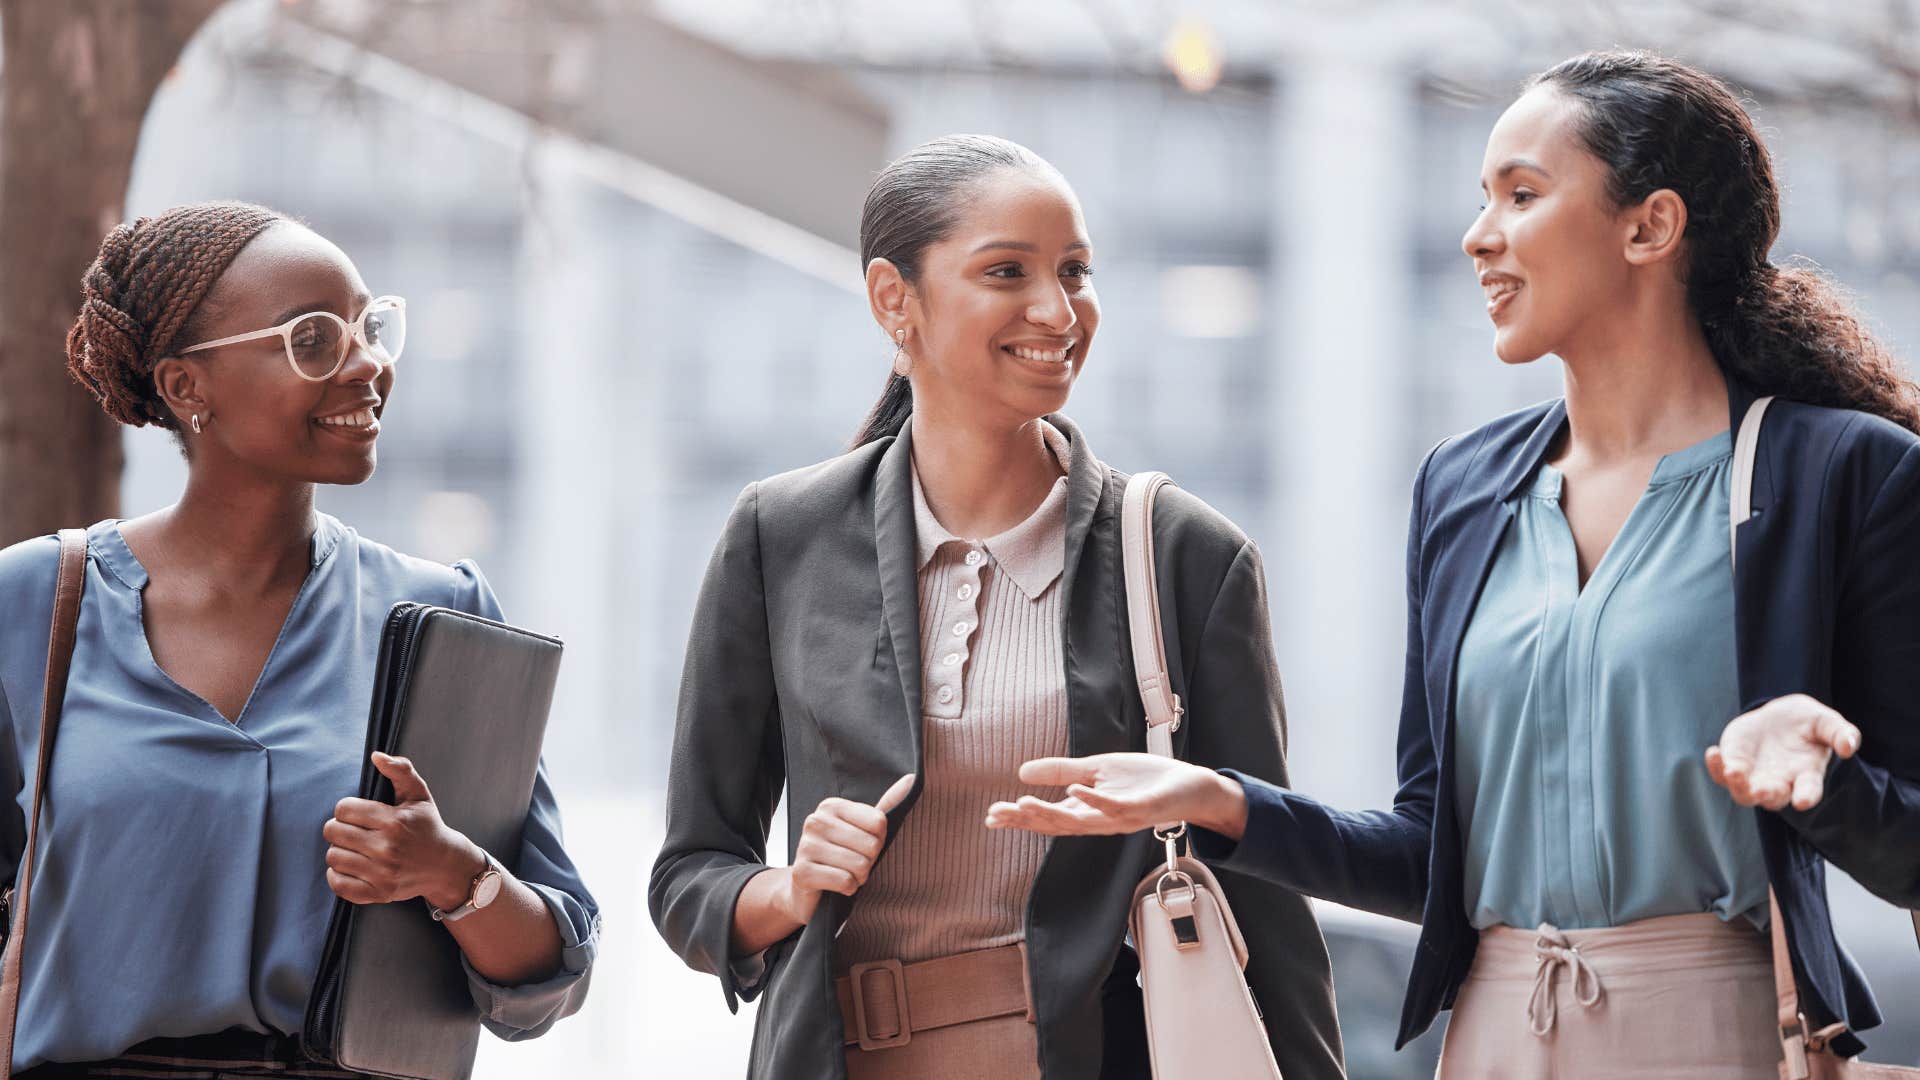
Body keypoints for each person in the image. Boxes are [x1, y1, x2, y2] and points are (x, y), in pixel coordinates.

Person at [986, 51, 1920, 1075]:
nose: (1480, 236)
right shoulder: (1465, 488)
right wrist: (1219, 802)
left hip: (1720, 1036)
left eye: (1522, 195)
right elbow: (1429, 851)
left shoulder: (1840, 474)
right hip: (1490, 1039)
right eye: (1484, 199)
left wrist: (1821, 783)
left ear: (1649, 226)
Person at [650, 134, 1344, 1080]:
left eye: (1076, 271)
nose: (1057, 310)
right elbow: (691, 871)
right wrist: (788, 888)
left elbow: (1267, 903)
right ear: (896, 300)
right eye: (1007, 271)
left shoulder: (1183, 555)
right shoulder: (783, 536)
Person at [0, 201, 599, 1076]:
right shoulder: (32, 603)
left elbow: (551, 975)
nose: (369, 365)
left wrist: (453, 875)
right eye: (314, 339)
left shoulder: (445, 618)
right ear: (185, 387)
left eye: (370, 326)